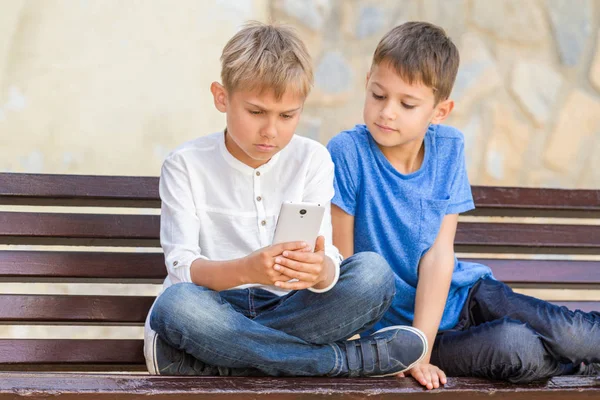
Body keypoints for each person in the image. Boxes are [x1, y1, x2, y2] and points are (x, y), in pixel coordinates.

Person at [143, 21, 427, 377]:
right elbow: (181, 267)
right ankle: (340, 363)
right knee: (176, 306)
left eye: (287, 116)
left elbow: (327, 262)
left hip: (291, 308)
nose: (271, 131)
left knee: (373, 275)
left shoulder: (312, 159)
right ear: (221, 97)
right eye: (256, 112)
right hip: (213, 307)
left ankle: (225, 363)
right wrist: (246, 269)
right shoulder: (185, 164)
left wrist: (321, 270)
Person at [327, 21, 600, 389]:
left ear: (440, 111)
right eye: (378, 95)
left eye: (407, 103)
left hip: (465, 295)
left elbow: (439, 256)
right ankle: (581, 370)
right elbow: (350, 270)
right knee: (517, 347)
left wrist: (420, 350)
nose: (387, 112)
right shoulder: (347, 152)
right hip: (402, 334)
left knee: (574, 336)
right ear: (367, 83)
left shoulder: (448, 147)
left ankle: (580, 359)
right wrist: (413, 351)